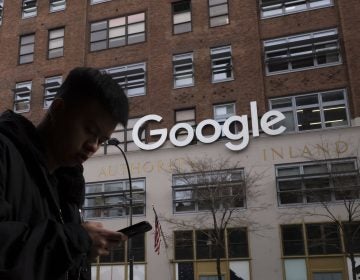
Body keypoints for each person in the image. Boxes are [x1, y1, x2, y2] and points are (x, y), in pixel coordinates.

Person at [0, 67, 129, 280]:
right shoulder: (5, 152)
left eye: (102, 140)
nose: (93, 146)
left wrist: (80, 248)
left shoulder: (67, 188)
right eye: (90, 131)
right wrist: (73, 241)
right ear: (58, 109)